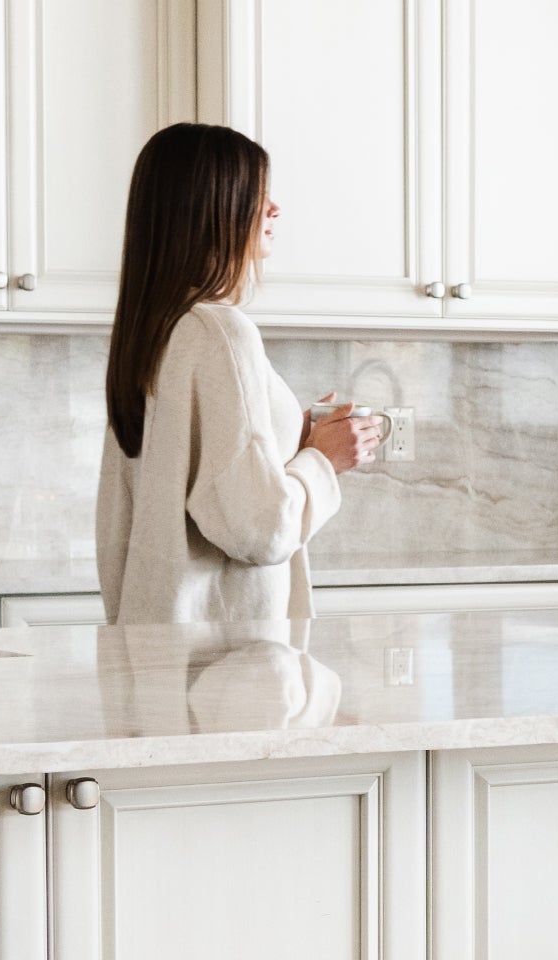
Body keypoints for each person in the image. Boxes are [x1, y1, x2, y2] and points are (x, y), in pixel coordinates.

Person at [96, 123, 380, 625]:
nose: (274, 208)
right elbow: (257, 528)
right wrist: (322, 461)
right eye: (256, 193)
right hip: (224, 674)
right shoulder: (220, 334)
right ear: (211, 207)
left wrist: (295, 441)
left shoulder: (157, 333)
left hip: (155, 659)